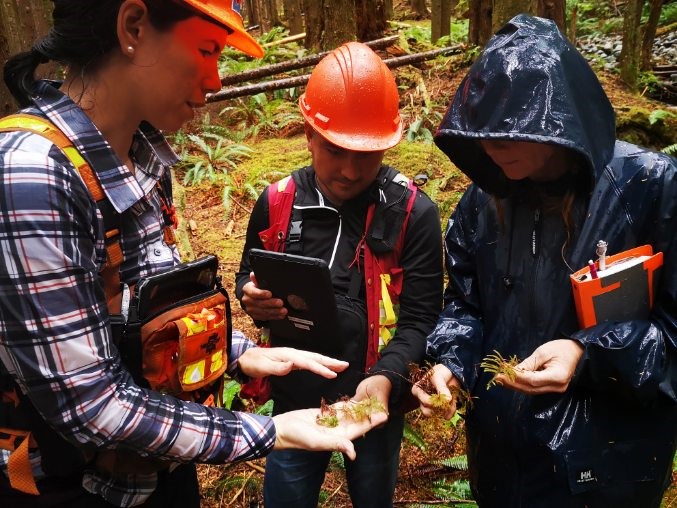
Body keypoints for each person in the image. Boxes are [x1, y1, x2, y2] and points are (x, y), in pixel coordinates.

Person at [0, 2, 388, 507]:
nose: (217, 80)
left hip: (153, 472)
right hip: (68, 487)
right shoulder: (32, 176)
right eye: (207, 51)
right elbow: (90, 403)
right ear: (133, 26)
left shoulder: (140, 154)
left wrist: (241, 355)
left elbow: (138, 314)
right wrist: (269, 431)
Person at [411, 14, 677, 508]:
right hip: (501, 459)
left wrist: (588, 354)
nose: (492, 148)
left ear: (560, 123)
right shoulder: (482, 202)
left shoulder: (649, 187)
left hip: (606, 467)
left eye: (511, 132)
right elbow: (465, 306)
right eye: (483, 132)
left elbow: (672, 337)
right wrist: (452, 362)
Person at [235, 41, 444, 508]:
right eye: (334, 150)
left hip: (375, 398)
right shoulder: (277, 202)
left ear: (388, 144)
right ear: (309, 134)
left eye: (366, 154)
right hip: (295, 397)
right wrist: (251, 296)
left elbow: (421, 316)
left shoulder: (414, 213)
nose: (350, 171)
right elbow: (249, 273)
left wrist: (387, 379)